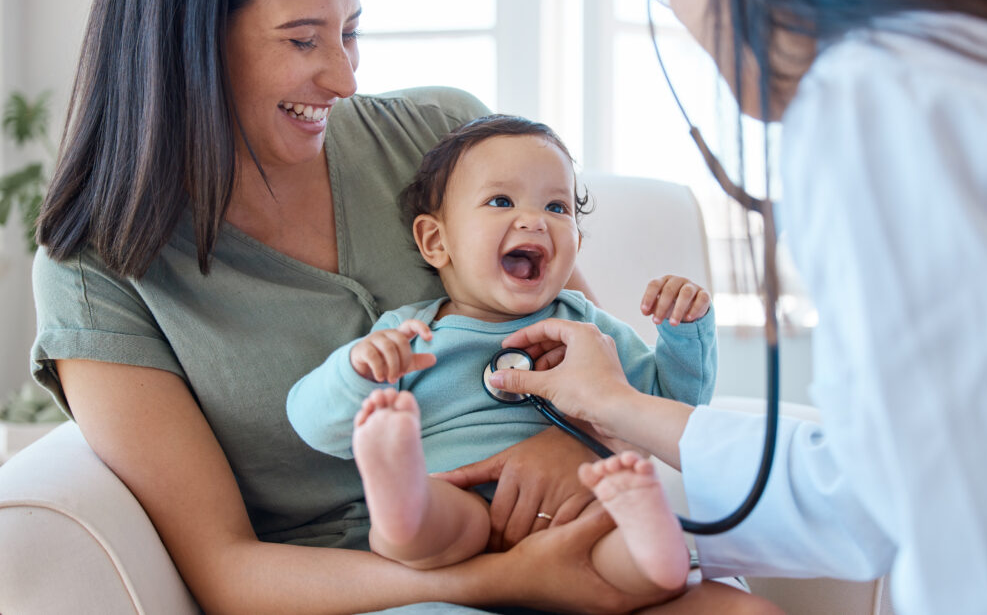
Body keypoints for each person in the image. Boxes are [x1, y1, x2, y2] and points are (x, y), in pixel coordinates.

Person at [25, 0, 785, 613]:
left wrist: (568, 446)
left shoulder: (441, 136)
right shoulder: (96, 269)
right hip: (373, 585)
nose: (345, 77)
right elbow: (227, 570)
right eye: (303, 40)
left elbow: (586, 353)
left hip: (568, 526)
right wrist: (498, 579)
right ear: (187, 42)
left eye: (351, 31)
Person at [481, 0, 987, 614]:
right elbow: (886, 479)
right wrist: (619, 407)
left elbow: (978, 520)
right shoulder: (983, 47)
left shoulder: (875, 102)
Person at [287, 114, 716, 596]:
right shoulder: (411, 334)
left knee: (626, 557)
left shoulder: (587, 327)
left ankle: (652, 540)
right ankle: (400, 489)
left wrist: (683, 332)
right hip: (457, 501)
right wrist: (357, 371)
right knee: (423, 529)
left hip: (577, 512)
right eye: (500, 201)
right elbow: (313, 424)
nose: (535, 219)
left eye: (557, 206)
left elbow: (668, 407)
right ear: (436, 241)